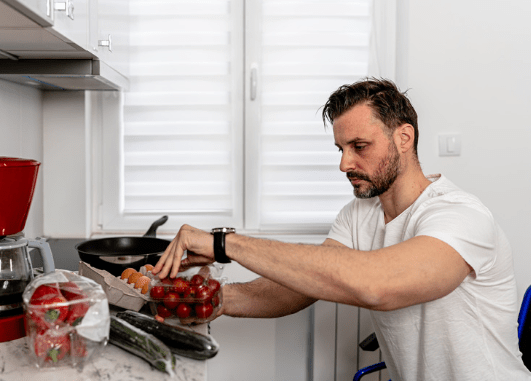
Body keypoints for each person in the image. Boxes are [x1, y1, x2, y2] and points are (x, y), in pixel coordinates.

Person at [152, 78, 531, 380]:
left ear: (404, 138)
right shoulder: (358, 214)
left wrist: (225, 244)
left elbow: (378, 284)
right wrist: (219, 299)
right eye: (340, 149)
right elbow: (301, 284)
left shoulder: (460, 215)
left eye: (359, 146)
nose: (345, 163)